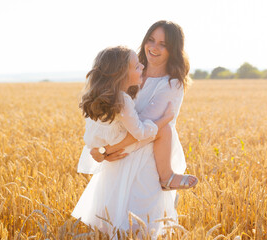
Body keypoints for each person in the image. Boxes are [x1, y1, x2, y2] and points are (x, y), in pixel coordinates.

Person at [73, 20, 195, 237]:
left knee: (142, 226)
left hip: (147, 159)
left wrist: (107, 151)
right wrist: (97, 150)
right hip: (118, 160)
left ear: (173, 49)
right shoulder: (129, 70)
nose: (154, 48)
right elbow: (105, 116)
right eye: (151, 40)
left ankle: (167, 178)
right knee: (110, 223)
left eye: (163, 44)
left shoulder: (172, 84)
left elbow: (146, 130)